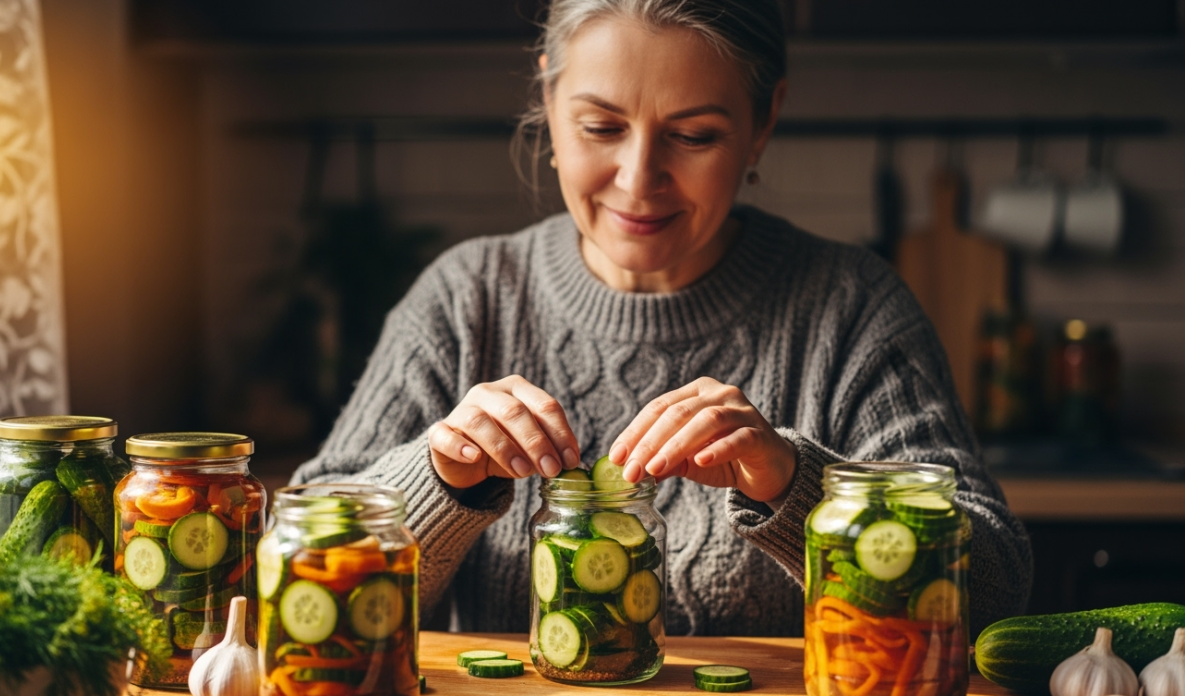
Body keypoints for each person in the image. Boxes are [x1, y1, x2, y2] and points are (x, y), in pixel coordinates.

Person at [292, 0, 1032, 637]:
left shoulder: (853, 307)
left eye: (694, 135)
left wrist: (799, 485)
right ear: (549, 101)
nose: (639, 181)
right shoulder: (465, 297)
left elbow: (995, 591)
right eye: (601, 127)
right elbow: (294, 576)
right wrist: (436, 476)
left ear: (763, 121)